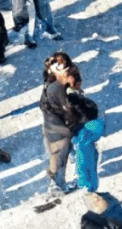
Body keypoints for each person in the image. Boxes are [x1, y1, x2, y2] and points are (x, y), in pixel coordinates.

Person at [39, 52, 83, 199]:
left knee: (69, 150)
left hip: (58, 123)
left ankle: (62, 180)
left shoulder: (58, 81)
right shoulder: (54, 86)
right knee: (65, 152)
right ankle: (58, 184)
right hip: (59, 124)